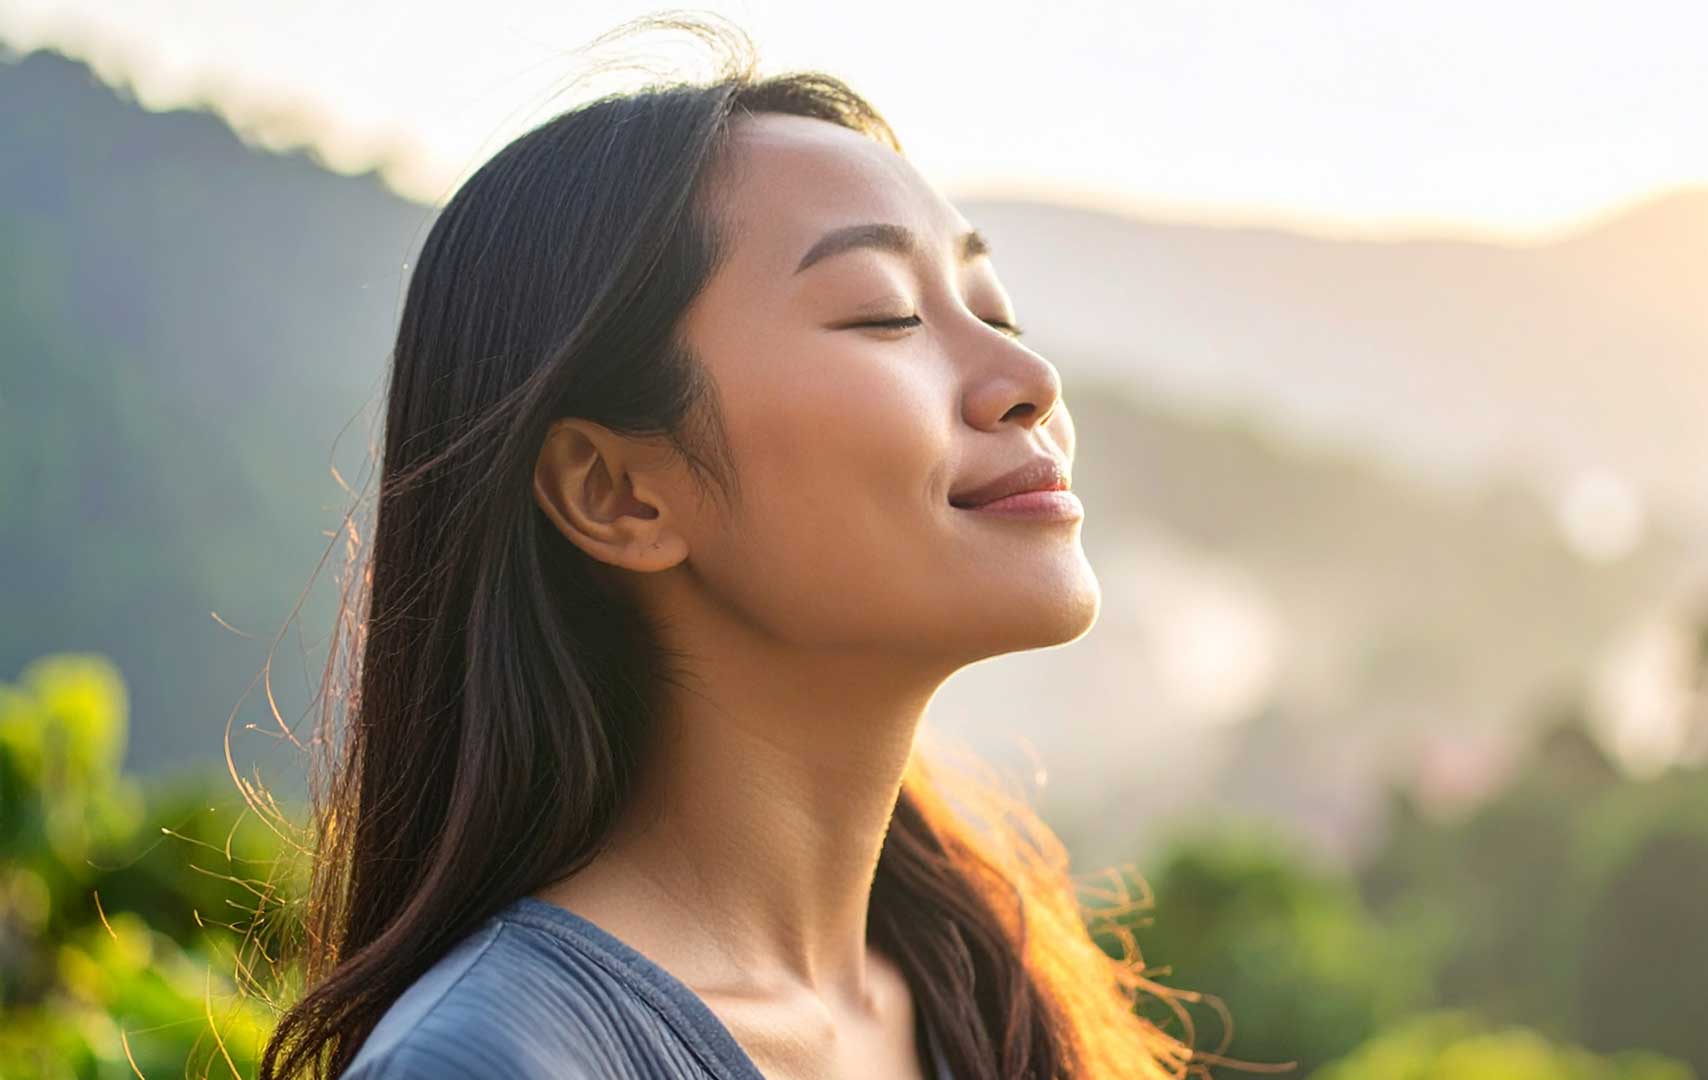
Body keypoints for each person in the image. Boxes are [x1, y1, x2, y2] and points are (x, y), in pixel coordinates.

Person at [253, 16, 1207, 1080]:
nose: (1028, 379)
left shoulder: (978, 995)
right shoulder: (495, 1061)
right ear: (617, 493)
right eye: (883, 315)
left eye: (995, 308)